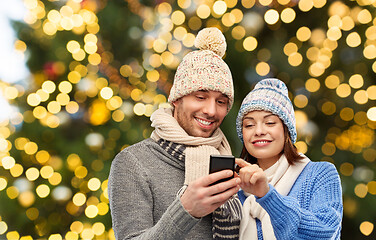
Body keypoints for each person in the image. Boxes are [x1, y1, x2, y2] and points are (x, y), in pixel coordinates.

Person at [108, 27, 242, 240]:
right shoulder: (133, 163)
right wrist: (186, 210)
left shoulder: (228, 163)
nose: (211, 110)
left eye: (221, 102)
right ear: (177, 99)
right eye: (200, 97)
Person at [234, 78, 343, 239]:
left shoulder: (320, 173)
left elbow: (325, 232)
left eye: (270, 122)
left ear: (286, 131)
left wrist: (267, 196)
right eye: (249, 125)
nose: (258, 131)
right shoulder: (236, 185)